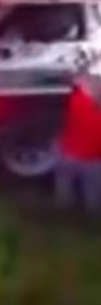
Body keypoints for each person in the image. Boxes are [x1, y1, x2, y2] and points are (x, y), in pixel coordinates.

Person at [54, 72, 101, 212]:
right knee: (92, 192)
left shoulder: (78, 102)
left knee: (64, 185)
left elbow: (78, 84)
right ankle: (92, 214)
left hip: (67, 155)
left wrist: (81, 79)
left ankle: (63, 210)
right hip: (91, 162)